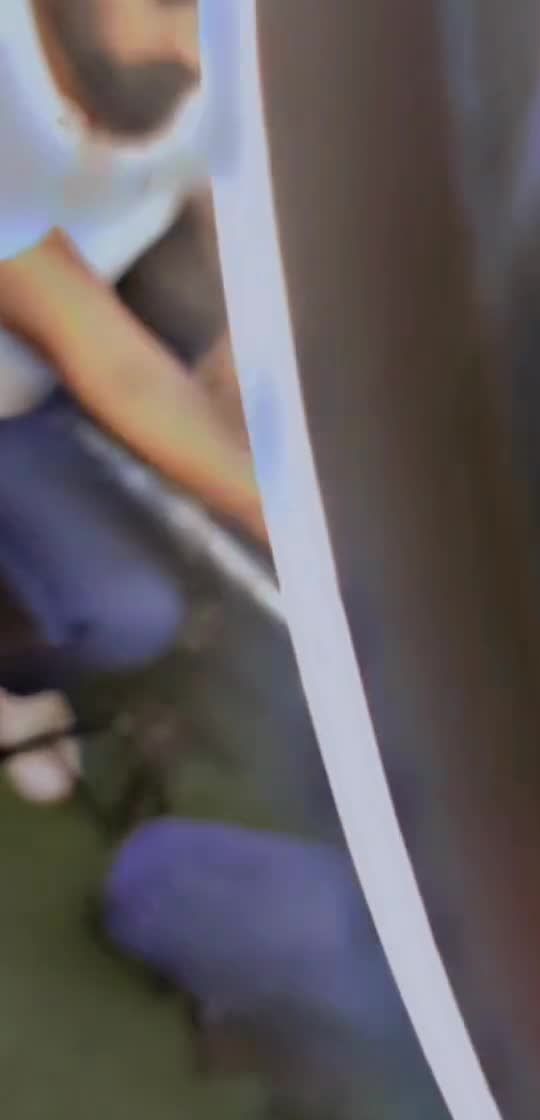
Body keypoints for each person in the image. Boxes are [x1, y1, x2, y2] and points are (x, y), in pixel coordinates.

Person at [0, 0, 265, 803]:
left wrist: (238, 350)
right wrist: (287, 518)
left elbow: (230, 204)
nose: (195, 44)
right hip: (31, 386)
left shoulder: (202, 48)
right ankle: (13, 671)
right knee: (128, 613)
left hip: (78, 353)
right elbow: (108, 362)